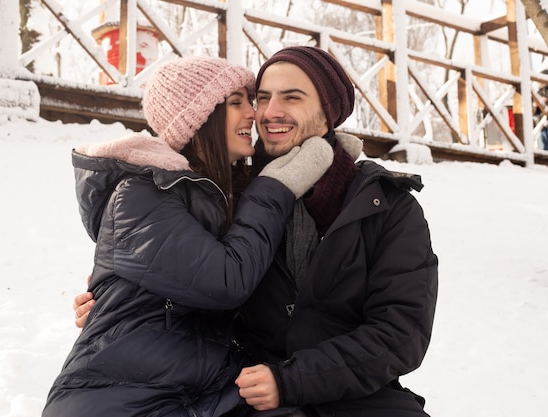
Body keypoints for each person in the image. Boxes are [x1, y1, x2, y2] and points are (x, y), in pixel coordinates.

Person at [75, 47, 438, 417]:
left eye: (291, 98)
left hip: (355, 393)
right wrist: (119, 302)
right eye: (261, 98)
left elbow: (400, 334)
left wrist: (292, 381)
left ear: (328, 112)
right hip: (242, 391)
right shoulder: (227, 196)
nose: (267, 112)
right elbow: (191, 279)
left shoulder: (386, 207)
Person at [42, 56, 334, 417]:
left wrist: (334, 167)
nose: (253, 114)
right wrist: (273, 189)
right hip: (121, 398)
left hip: (196, 389)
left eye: (250, 100)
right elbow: (228, 279)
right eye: (236, 103)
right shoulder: (140, 193)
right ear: (200, 119)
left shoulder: (222, 197)